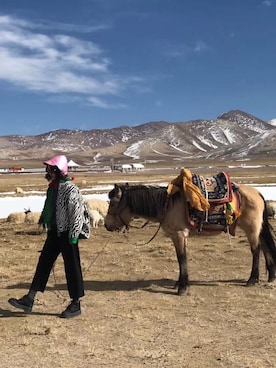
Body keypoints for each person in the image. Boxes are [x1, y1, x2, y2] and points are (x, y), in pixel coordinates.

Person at [8, 155, 90, 318]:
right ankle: (29, 299)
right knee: (43, 263)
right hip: (54, 232)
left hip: (67, 234)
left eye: (51, 169)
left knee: (72, 267)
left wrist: (73, 235)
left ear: (58, 170)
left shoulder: (70, 188)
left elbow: (76, 214)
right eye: (48, 169)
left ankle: (76, 304)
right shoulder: (53, 187)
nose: (48, 171)